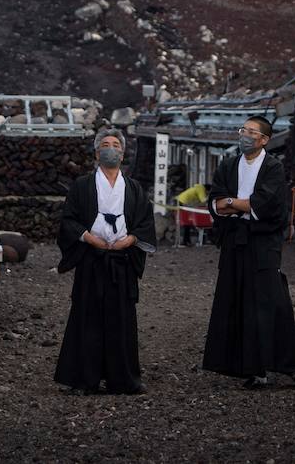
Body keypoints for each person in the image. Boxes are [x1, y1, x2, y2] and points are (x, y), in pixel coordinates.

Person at [202, 116, 295, 389]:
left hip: (263, 242)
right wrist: (239, 203)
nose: (245, 136)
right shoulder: (228, 165)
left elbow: (264, 203)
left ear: (264, 140)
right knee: (237, 300)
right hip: (234, 240)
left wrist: (233, 203)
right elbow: (216, 203)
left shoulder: (273, 167)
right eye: (243, 130)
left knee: (272, 300)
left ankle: (293, 364)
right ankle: (253, 369)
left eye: (252, 132)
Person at [54, 128, 157, 395]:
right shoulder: (82, 186)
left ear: (122, 154)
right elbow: (69, 220)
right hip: (92, 259)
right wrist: (88, 237)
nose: (111, 148)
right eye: (105, 144)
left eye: (116, 145)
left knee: (121, 320)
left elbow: (145, 222)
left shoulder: (134, 188)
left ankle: (123, 379)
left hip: (122, 262)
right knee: (87, 318)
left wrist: (131, 239)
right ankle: (84, 379)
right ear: (97, 153)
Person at [174, 181, 209, 246]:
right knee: (186, 223)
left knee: (187, 223)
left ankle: (186, 241)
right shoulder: (201, 188)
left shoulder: (197, 188)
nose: (206, 194)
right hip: (181, 203)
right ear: (207, 190)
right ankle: (185, 241)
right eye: (207, 193)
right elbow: (203, 200)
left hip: (180, 202)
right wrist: (210, 197)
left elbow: (199, 202)